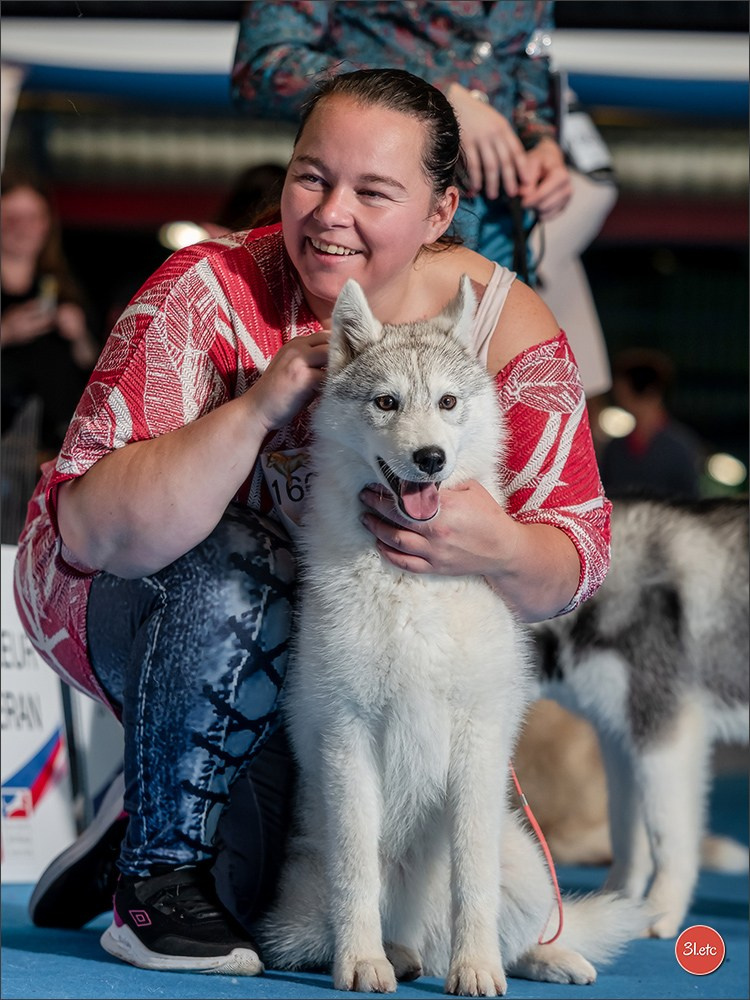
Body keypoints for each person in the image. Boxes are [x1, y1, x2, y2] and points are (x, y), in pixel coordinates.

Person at [17, 68, 610, 975]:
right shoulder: (206, 288)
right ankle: (159, 878)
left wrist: (497, 544)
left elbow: (576, 555)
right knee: (241, 562)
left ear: (442, 209)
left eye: (374, 191)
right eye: (311, 176)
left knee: (280, 900)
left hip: (334, 650)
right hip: (143, 597)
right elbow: (96, 534)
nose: (331, 212)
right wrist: (255, 411)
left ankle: (165, 802)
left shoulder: (503, 324)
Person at [231, 0, 616, 398]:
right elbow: (262, 67)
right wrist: (435, 94)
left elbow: (528, 60)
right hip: (375, 232)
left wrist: (542, 143)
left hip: (503, 223)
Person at [1, 172, 100, 460]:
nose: (22, 227)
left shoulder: (64, 286)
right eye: (11, 216)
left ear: (46, 224)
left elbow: (95, 367)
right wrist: (5, 331)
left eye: (33, 217)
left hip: (54, 452)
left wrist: (79, 334)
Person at [598, 347, 703, 500]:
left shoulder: (680, 447)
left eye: (622, 388)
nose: (617, 394)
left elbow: (691, 502)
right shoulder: (615, 448)